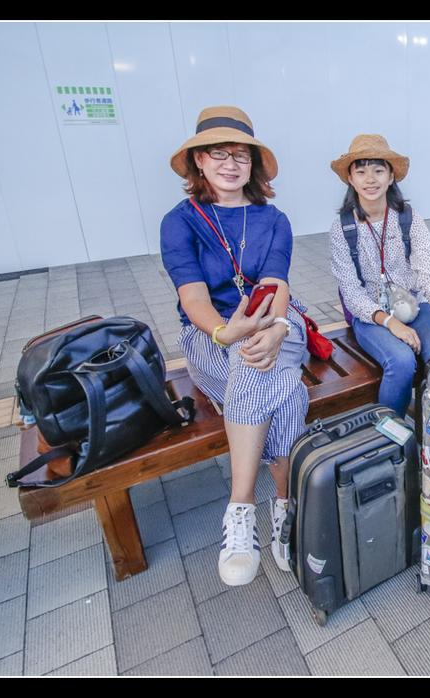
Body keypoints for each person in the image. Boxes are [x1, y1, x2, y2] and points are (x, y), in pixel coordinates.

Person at [161, 106, 307, 586]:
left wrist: (278, 326)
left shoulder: (274, 219)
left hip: (275, 319)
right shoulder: (180, 221)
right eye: (218, 154)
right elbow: (193, 298)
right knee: (280, 386)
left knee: (257, 365)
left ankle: (240, 510)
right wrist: (227, 333)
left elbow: (276, 282)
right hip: (210, 334)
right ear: (199, 161)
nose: (230, 163)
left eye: (240, 155)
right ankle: (284, 505)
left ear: (253, 164)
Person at [329, 134, 430, 417]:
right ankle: (389, 433)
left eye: (378, 170)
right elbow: (350, 293)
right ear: (350, 178)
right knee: (401, 361)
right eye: (361, 172)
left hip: (414, 304)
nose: (370, 179)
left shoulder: (409, 218)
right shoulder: (342, 228)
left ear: (391, 176)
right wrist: (391, 323)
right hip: (370, 314)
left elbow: (428, 271)